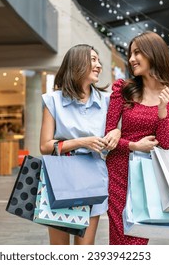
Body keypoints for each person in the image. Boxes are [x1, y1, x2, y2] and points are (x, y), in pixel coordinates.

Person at [104, 31, 169, 245]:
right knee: (119, 236)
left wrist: (163, 111)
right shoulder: (123, 90)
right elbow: (108, 138)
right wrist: (133, 145)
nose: (131, 59)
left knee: (138, 238)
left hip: (149, 177)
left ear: (154, 54)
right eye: (130, 53)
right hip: (118, 173)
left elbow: (165, 142)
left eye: (137, 52)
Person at [40, 44, 121, 245]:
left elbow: (119, 129)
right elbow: (45, 146)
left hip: (93, 177)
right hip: (60, 178)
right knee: (60, 249)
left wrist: (117, 132)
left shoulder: (108, 101)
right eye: (93, 60)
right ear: (77, 64)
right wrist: (83, 141)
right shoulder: (53, 101)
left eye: (98, 60)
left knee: (84, 249)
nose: (99, 65)